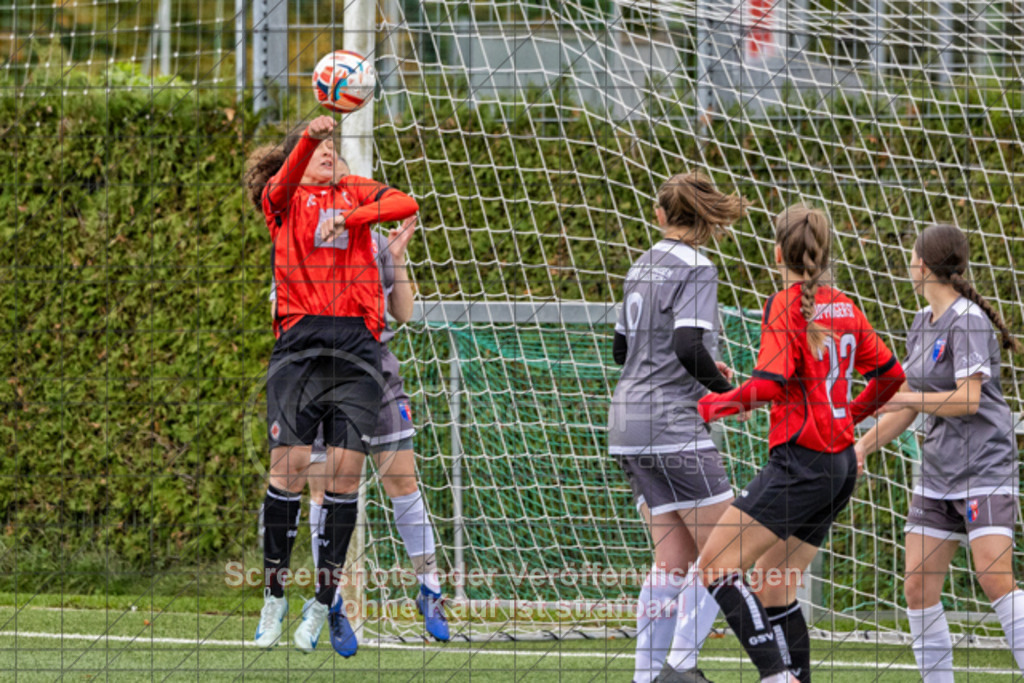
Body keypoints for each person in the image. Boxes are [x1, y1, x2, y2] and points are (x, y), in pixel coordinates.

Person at [679, 205, 905, 683]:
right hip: (838, 464)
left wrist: (713, 407)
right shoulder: (845, 305)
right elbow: (891, 376)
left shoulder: (785, 305)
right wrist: (849, 415)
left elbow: (768, 385)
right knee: (774, 588)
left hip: (802, 463)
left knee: (715, 568)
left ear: (777, 251)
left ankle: (776, 676)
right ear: (823, 253)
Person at [243, 115, 419, 657]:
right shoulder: (285, 200)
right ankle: (273, 594)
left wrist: (353, 215)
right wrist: (310, 137)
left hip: (358, 352)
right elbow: (288, 173)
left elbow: (405, 203)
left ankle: (323, 600)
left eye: (330, 145)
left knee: (345, 480)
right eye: (316, 146)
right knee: (288, 470)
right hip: (300, 348)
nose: (326, 151)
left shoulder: (351, 193)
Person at [854, 223, 1023, 681]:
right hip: (938, 473)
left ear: (922, 265)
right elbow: (908, 403)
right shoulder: (920, 322)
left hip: (983, 465)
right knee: (917, 586)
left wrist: (905, 399)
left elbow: (967, 400)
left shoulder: (967, 319)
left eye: (911, 256)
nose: (909, 264)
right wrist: (863, 444)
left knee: (993, 578)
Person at [609, 171, 749, 683]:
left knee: (673, 556)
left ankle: (648, 677)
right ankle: (680, 667)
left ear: (661, 216)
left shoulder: (640, 265)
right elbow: (690, 346)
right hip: (671, 423)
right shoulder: (698, 267)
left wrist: (703, 369)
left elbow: (623, 350)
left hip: (626, 420)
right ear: (704, 217)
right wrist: (722, 387)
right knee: (731, 549)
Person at [303, 215, 451, 643]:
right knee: (324, 492)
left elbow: (403, 312)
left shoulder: (373, 242)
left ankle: (430, 591)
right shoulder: (297, 239)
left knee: (403, 481)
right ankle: (331, 604)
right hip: (320, 380)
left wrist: (398, 257)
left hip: (378, 375)